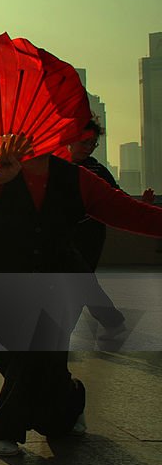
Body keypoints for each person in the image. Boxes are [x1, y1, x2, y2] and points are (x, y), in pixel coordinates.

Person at [0, 138, 162, 457]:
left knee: (35, 353)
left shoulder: (77, 178)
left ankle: (4, 426)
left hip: (58, 285)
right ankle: (70, 400)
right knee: (12, 357)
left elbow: (126, 211)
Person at [67, 119, 154, 340]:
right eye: (85, 142)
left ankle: (106, 323)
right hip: (64, 233)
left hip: (89, 234)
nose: (88, 147)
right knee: (79, 281)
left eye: (93, 144)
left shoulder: (96, 169)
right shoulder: (56, 167)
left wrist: (142, 207)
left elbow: (115, 197)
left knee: (80, 280)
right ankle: (111, 322)